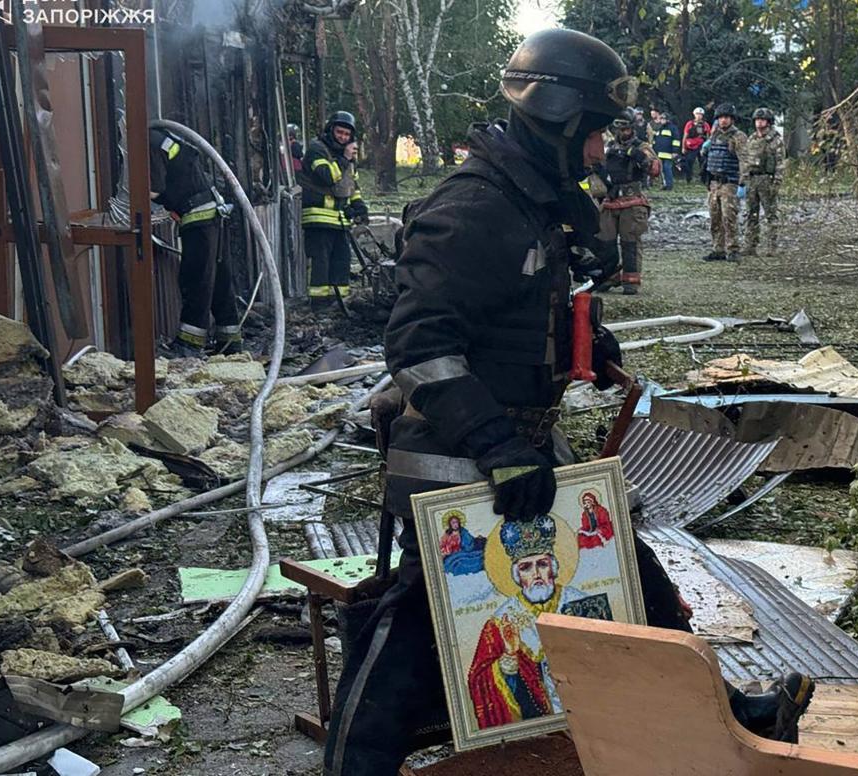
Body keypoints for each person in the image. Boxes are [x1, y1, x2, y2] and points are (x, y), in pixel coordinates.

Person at [322, 29, 813, 776]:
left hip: (519, 443)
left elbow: (524, 307)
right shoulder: (474, 209)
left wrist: (589, 342)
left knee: (628, 574)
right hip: (459, 452)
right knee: (418, 620)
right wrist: (495, 447)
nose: (596, 153)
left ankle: (720, 706)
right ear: (552, 120)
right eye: (590, 135)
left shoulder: (529, 204)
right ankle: (350, 765)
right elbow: (419, 346)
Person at [466, 515, 589, 727]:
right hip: (538, 724)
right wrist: (505, 669)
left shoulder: (580, 603)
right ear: (517, 575)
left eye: (542, 564)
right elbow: (479, 679)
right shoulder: (501, 621)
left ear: (553, 567)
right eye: (526, 567)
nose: (536, 574)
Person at [149, 126, 241, 357]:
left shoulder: (147, 141)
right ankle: (230, 342)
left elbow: (153, 189)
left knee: (195, 279)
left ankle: (189, 345)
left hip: (198, 216)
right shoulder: (164, 135)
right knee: (220, 280)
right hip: (213, 212)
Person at [299, 110, 369, 310]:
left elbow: (351, 187)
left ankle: (338, 303)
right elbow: (326, 176)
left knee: (342, 261)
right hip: (318, 218)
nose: (343, 138)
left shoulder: (345, 158)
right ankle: (319, 305)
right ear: (330, 130)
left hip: (339, 220)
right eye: (340, 133)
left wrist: (359, 207)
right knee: (321, 262)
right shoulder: (316, 150)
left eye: (347, 135)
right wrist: (345, 159)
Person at [589, 108, 660, 295]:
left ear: (632, 129)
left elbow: (654, 169)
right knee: (605, 241)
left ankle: (631, 279)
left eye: (626, 129)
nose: (622, 133)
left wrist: (639, 157)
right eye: (619, 129)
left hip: (632, 199)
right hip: (610, 199)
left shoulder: (641, 146)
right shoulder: (608, 147)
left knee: (630, 242)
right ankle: (610, 276)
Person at [700, 103, 746, 262]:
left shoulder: (738, 137)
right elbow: (707, 158)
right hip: (714, 183)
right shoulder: (714, 135)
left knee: (729, 217)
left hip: (729, 183)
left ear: (732, 119)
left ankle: (732, 249)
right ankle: (717, 249)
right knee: (715, 218)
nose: (723, 121)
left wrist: (742, 184)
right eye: (720, 118)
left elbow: (744, 161)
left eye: (726, 118)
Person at [742, 107, 785, 256]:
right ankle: (750, 245)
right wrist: (744, 179)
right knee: (751, 214)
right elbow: (746, 160)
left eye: (762, 120)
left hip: (767, 179)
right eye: (757, 120)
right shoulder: (752, 138)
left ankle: (772, 246)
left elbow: (780, 162)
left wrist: (777, 182)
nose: (759, 123)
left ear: (768, 122)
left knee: (771, 215)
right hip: (752, 179)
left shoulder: (775, 139)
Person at [649, 108, 681, 190]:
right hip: (659, 154)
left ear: (667, 120)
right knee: (660, 171)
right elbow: (656, 141)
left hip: (669, 154)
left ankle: (669, 185)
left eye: (663, 119)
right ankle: (664, 185)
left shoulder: (673, 128)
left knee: (667, 169)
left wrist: (675, 151)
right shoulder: (659, 128)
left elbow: (676, 140)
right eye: (661, 119)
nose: (662, 120)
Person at [680, 106, 710, 183]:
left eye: (700, 114)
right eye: (697, 114)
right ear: (694, 114)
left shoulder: (705, 125)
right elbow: (685, 136)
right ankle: (689, 178)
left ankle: (703, 178)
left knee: (703, 162)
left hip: (701, 145)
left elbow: (708, 137)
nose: (699, 116)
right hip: (691, 146)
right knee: (689, 161)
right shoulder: (689, 124)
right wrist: (683, 147)